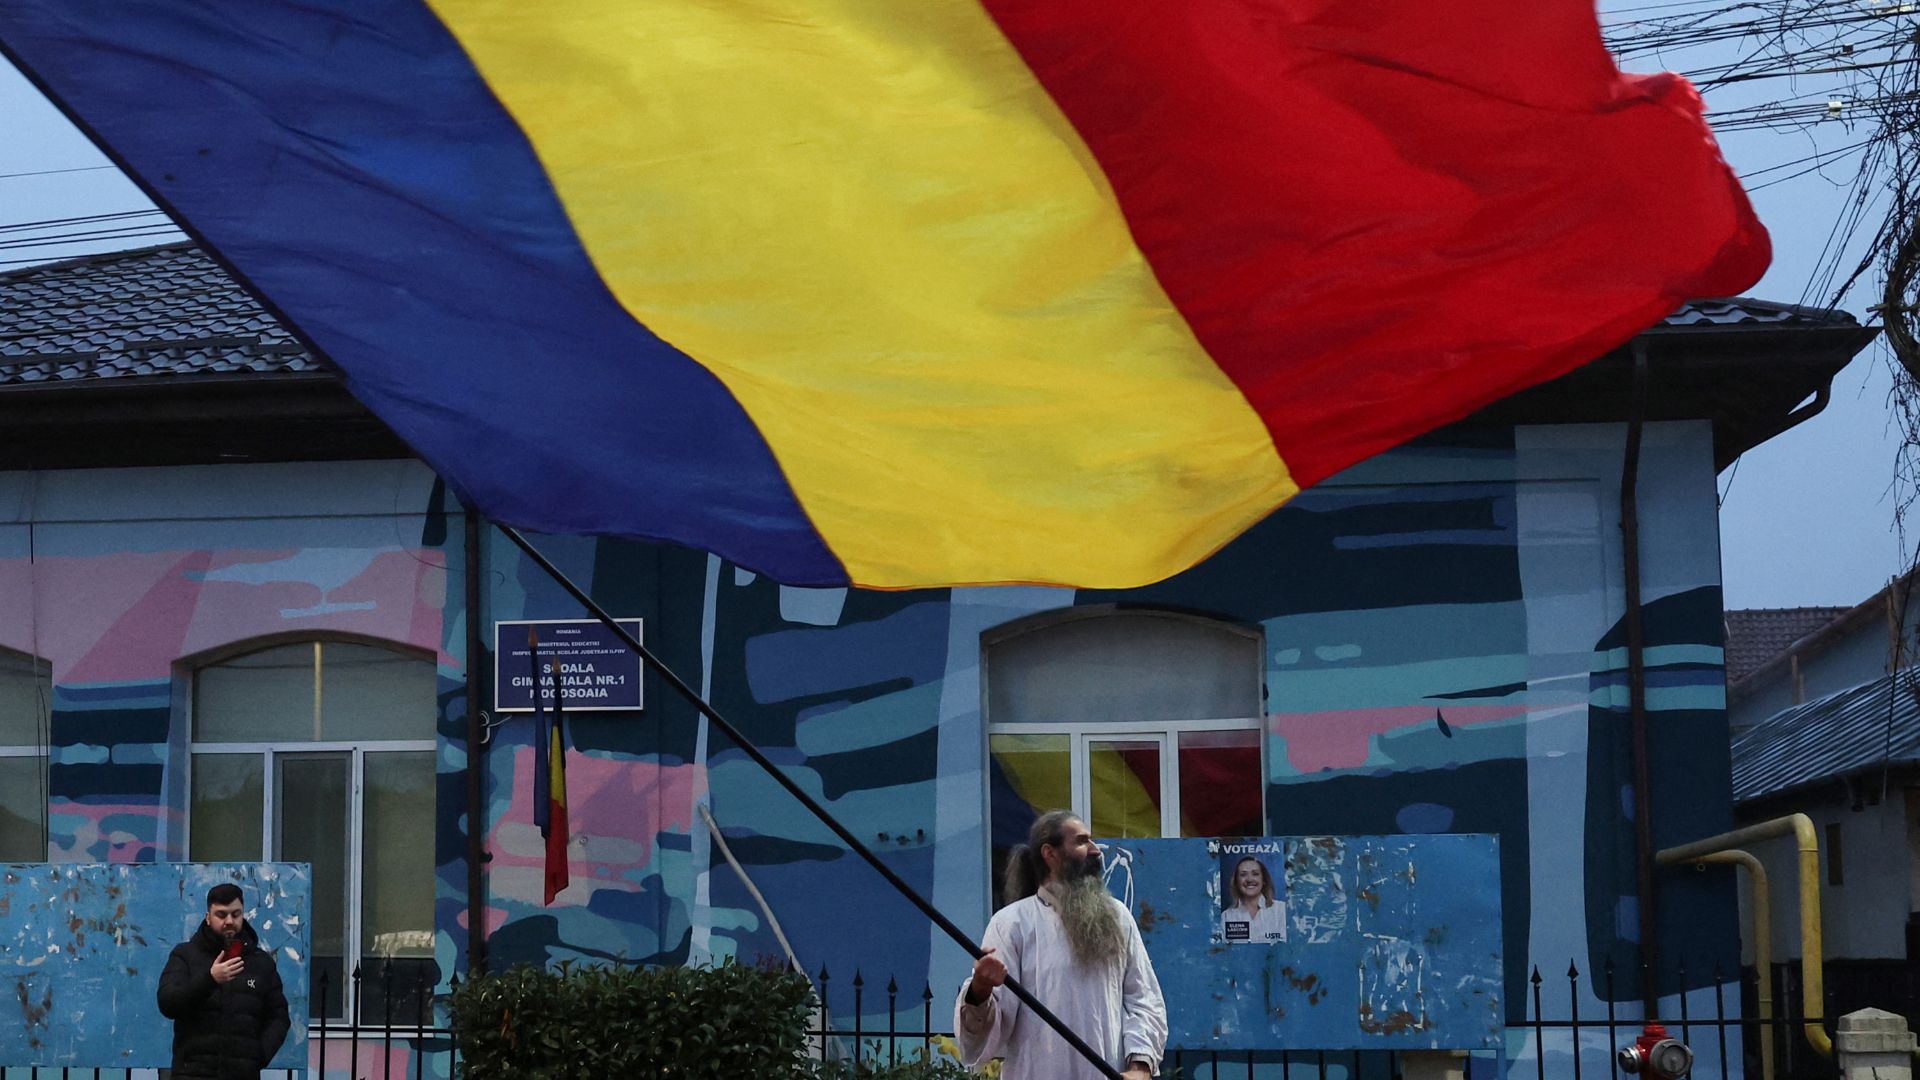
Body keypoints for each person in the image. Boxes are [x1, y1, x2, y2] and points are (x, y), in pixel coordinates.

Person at [955, 811, 1167, 1079]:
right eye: (1082, 841)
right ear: (1050, 853)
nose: (1095, 850)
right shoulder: (1011, 923)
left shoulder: (1118, 917)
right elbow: (989, 1035)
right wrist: (980, 990)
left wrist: (1140, 1068)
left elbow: (1144, 1000)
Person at [157, 883, 291, 1079]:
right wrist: (210, 979)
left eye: (235, 914)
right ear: (208, 917)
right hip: (193, 1073)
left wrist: (258, 1055)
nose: (229, 921)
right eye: (221, 914)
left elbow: (278, 1016)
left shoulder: (260, 963)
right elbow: (168, 1003)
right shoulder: (185, 955)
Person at [1219, 855, 1287, 944]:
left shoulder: (1282, 910)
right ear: (1236, 882)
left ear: (1264, 880)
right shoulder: (1226, 916)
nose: (1249, 879)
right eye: (1243, 874)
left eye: (1255, 874)